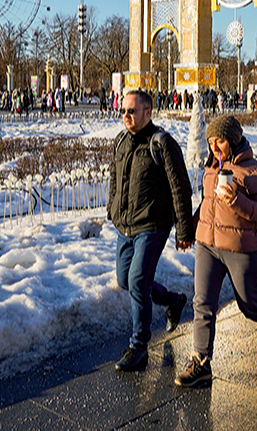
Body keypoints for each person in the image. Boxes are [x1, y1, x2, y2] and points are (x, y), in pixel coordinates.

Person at [175, 115, 257, 388]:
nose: (215, 147)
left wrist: (237, 201)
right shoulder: (211, 168)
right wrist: (191, 231)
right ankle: (201, 362)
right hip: (208, 246)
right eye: (211, 142)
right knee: (202, 304)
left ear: (234, 140)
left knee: (249, 306)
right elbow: (206, 204)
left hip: (241, 250)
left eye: (221, 141)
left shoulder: (256, 172)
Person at [107, 89, 195, 372]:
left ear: (148, 112)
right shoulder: (121, 141)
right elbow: (114, 176)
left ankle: (138, 346)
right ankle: (173, 301)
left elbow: (180, 186)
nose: (126, 116)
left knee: (137, 280)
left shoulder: (163, 143)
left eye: (131, 111)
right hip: (126, 225)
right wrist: (113, 209)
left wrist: (184, 230)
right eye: (123, 110)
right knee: (126, 280)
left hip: (153, 225)